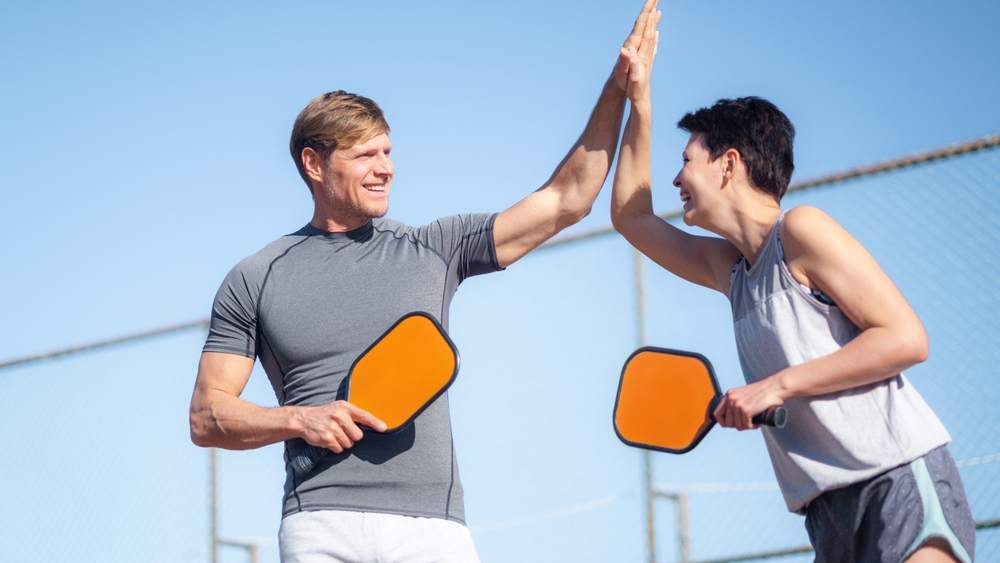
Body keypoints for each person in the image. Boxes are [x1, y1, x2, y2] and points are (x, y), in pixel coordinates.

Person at [188, 2, 661, 561]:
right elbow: (207, 415)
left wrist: (619, 89)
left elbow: (568, 198)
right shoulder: (256, 277)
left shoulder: (434, 248)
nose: (385, 167)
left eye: (388, 151)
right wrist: (300, 419)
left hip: (431, 528)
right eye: (366, 155)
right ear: (314, 165)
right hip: (319, 522)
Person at [609, 45, 975, 562]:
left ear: (728, 164)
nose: (675, 179)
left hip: (894, 484)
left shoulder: (800, 230)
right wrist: (639, 101)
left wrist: (774, 387)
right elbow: (632, 218)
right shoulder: (731, 271)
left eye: (686, 162)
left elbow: (906, 338)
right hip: (825, 515)